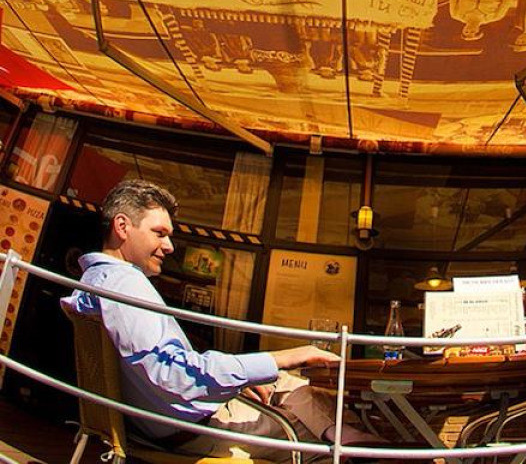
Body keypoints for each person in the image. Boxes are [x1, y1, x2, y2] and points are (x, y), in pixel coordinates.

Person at [62, 179, 378, 459]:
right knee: (323, 441)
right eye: (159, 233)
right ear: (122, 226)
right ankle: (365, 445)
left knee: (296, 388)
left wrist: (236, 384)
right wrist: (283, 356)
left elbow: (159, 368)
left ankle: (352, 436)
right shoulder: (125, 285)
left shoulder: (96, 280)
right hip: (191, 430)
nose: (169, 246)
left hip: (164, 422)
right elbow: (173, 374)